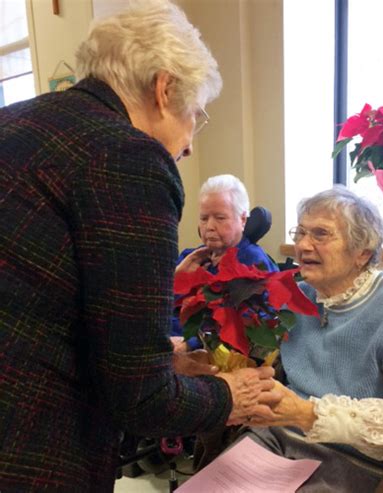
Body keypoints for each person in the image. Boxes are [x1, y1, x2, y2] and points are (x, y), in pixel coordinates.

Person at [0, 2, 279, 492]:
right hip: (29, 449)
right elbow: (142, 399)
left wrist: (163, 360)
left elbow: (38, 309)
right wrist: (228, 395)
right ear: (164, 88)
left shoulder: (16, 123)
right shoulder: (127, 157)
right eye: (195, 114)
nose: (190, 143)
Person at [241, 186, 383, 492]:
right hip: (279, 438)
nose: (302, 245)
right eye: (300, 233)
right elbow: (262, 362)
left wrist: (307, 414)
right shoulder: (296, 296)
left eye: (320, 234)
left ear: (362, 252)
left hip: (352, 458)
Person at [172, 174, 278, 347]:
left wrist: (191, 345)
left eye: (220, 218)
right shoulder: (189, 257)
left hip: (212, 354)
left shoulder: (253, 263)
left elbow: (257, 326)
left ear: (243, 220)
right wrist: (175, 278)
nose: (209, 226)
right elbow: (159, 309)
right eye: (204, 218)